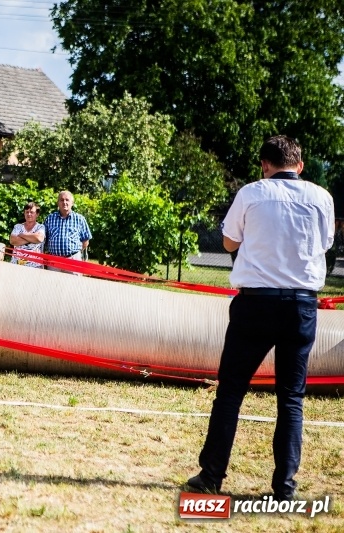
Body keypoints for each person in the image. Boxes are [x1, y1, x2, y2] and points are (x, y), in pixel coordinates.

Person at [187, 135, 334, 501]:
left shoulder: (252, 192)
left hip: (256, 302)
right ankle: (284, 487)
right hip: (302, 304)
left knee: (232, 391)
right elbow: (325, 243)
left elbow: (228, 243)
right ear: (299, 166)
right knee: (291, 397)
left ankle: (212, 475)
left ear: (265, 165)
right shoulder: (323, 198)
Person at [44, 190, 92, 271]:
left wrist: (74, 254)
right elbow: (44, 238)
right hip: (54, 261)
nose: (64, 202)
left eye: (67, 200)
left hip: (73, 260)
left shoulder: (80, 219)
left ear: (72, 203)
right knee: (51, 283)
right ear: (58, 203)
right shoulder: (50, 218)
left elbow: (85, 241)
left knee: (72, 283)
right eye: (61, 200)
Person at [9, 201, 46, 268]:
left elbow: (39, 238)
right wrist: (32, 238)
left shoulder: (40, 227)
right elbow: (12, 240)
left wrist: (22, 235)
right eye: (27, 212)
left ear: (37, 214)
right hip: (16, 265)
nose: (29, 214)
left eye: (32, 212)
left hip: (35, 267)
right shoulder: (18, 226)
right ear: (24, 213)